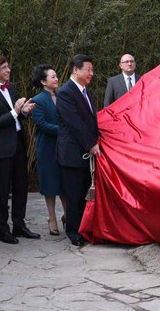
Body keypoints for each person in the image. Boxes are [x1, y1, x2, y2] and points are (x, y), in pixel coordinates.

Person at [0, 55, 39, 244]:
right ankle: (3, 231)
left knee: (21, 187)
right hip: (1, 148)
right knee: (2, 191)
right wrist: (15, 112)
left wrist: (24, 112)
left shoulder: (10, 87)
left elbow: (16, 116)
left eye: (8, 66)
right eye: (4, 68)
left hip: (18, 143)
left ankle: (19, 225)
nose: (8, 70)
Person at [56, 54, 99, 246]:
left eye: (92, 69)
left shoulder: (86, 92)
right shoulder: (65, 92)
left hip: (84, 153)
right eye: (88, 69)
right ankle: (73, 232)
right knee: (73, 195)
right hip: (72, 153)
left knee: (84, 193)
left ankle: (82, 228)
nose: (91, 73)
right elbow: (75, 123)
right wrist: (91, 144)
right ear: (76, 70)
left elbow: (91, 122)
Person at [31, 64, 66, 236]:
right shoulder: (37, 100)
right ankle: (52, 218)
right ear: (44, 81)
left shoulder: (63, 96)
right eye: (52, 76)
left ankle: (69, 216)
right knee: (50, 185)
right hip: (47, 147)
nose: (56, 79)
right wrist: (64, 130)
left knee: (65, 184)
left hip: (64, 147)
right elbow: (42, 124)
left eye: (56, 76)